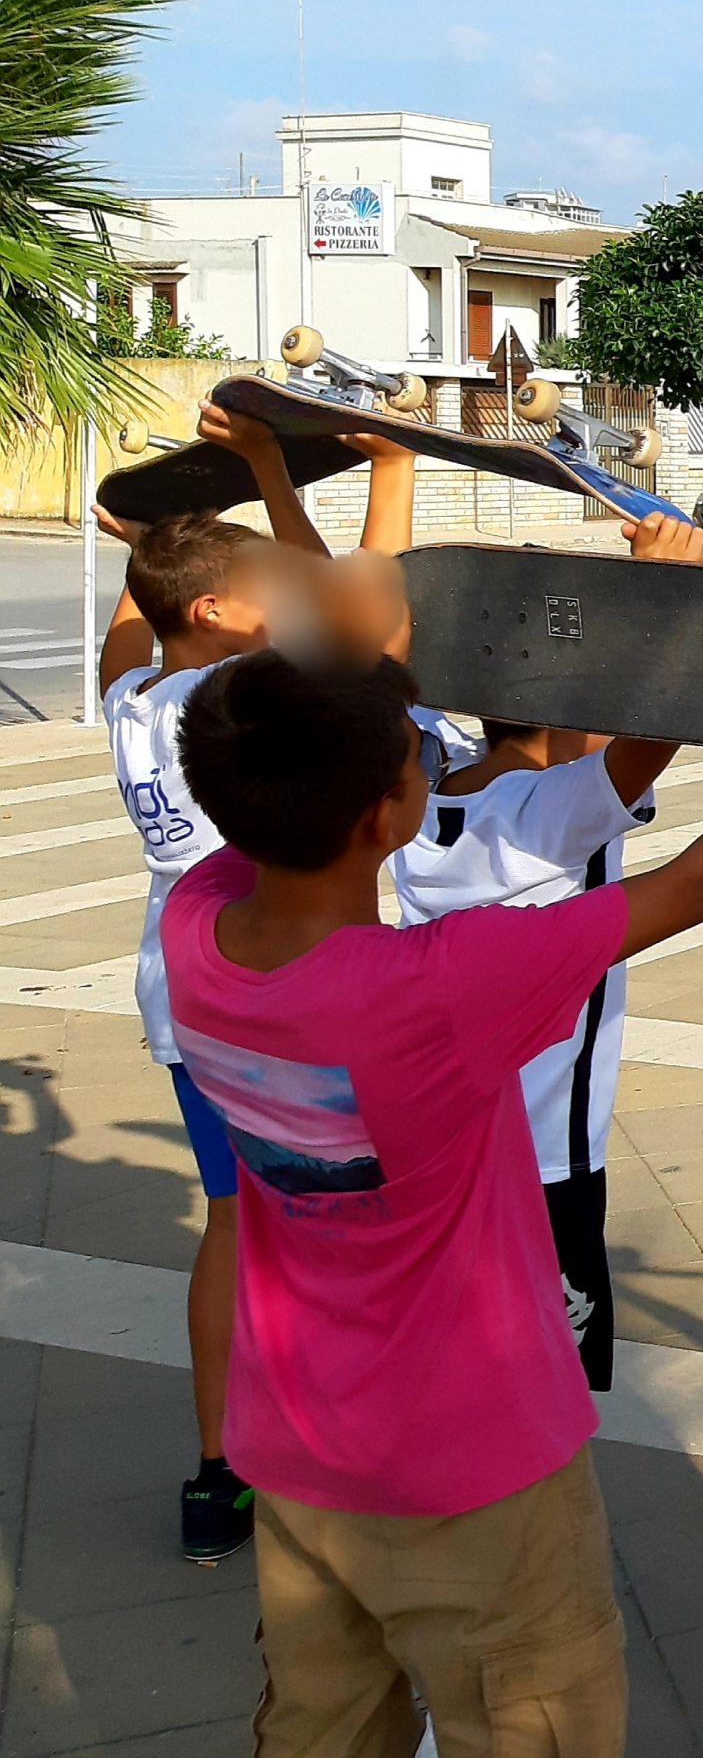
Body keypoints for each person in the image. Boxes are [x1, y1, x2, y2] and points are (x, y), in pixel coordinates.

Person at [164, 624, 703, 1758]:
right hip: (475, 1473)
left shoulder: (198, 926)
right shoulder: (434, 989)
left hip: (295, 1451)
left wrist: (348, 661)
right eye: (413, 764)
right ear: (382, 818)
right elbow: (699, 880)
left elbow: (270, 767)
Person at [91, 408, 420, 1566]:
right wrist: (334, 468)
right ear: (221, 613)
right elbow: (357, 609)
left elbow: (124, 640)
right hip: (283, 993)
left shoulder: (134, 701)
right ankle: (334, 1456)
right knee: (332, 1227)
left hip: (183, 994)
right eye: (261, 585)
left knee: (236, 1222)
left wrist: (138, 541)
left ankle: (218, 1472)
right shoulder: (247, 701)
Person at [391, 511, 703, 1395]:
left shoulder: (419, 790)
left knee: (453, 1363)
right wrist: (658, 593)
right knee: (540, 1395)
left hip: (438, 1145)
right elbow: (648, 729)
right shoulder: (554, 817)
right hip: (544, 1163)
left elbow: (377, 674)